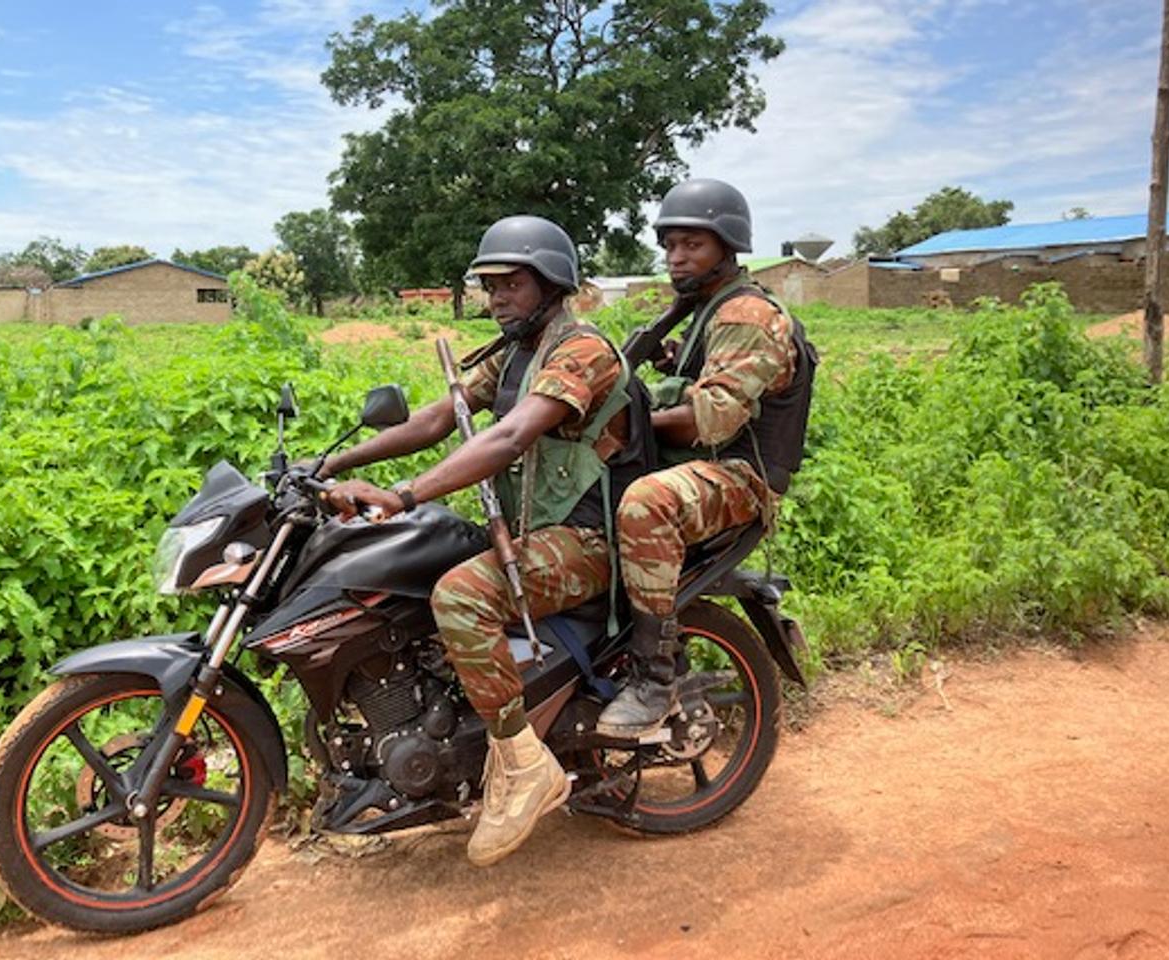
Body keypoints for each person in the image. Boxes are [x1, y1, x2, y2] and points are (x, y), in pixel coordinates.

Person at [317, 215, 639, 866]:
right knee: (411, 570)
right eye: (489, 287)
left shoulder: (582, 351)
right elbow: (439, 418)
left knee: (461, 595)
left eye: (509, 286)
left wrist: (404, 494)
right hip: (534, 534)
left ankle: (524, 766)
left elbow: (509, 437)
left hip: (585, 538)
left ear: (550, 285)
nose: (495, 300)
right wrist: (333, 466)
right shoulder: (515, 352)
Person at [596, 178, 816, 738]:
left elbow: (709, 418)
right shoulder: (706, 310)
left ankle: (654, 677)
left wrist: (622, 424)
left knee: (647, 503)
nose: (676, 258)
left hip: (742, 475)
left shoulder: (745, 314)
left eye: (692, 245)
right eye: (670, 246)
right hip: (704, 463)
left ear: (727, 245)